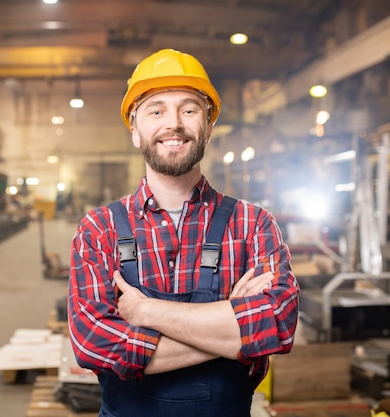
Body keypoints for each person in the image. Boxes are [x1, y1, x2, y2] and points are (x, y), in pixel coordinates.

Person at [67, 49, 300, 417]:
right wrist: (233, 331)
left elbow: (277, 325)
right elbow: (94, 344)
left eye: (189, 110)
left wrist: (145, 311)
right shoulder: (100, 228)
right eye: (156, 110)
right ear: (135, 131)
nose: (173, 123)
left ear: (207, 127)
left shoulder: (253, 224)